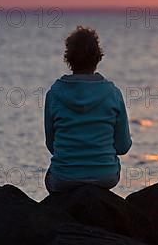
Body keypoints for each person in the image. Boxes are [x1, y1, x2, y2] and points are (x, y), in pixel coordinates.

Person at [44, 26, 132, 193]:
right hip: (105, 176)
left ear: (68, 59)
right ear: (97, 57)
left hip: (64, 178)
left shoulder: (53, 95)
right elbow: (123, 147)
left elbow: (52, 145)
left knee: (49, 177)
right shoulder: (113, 94)